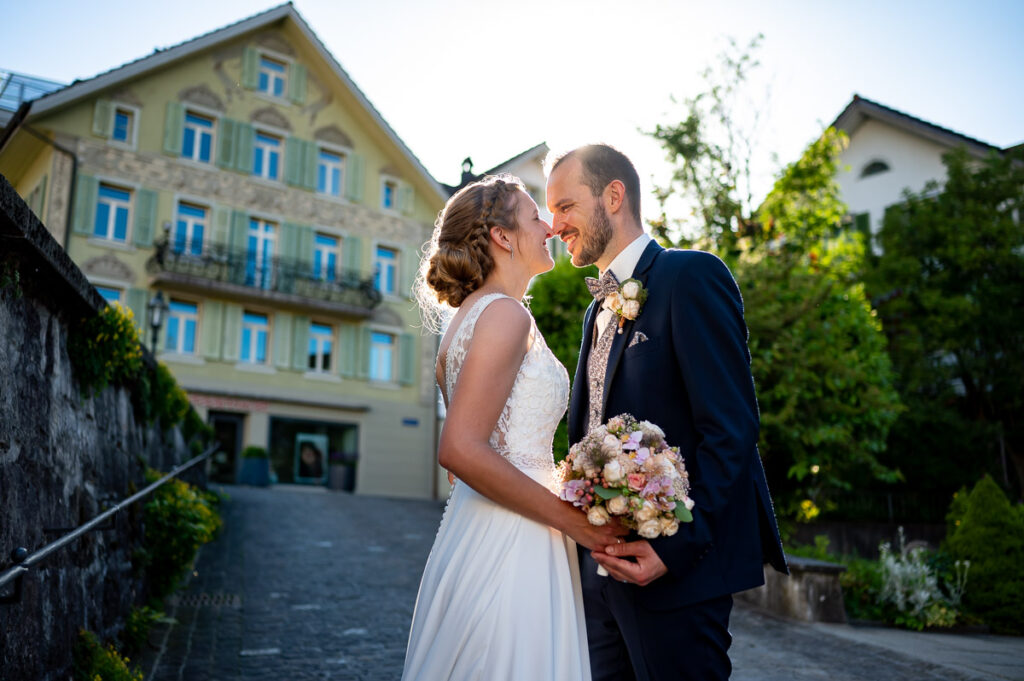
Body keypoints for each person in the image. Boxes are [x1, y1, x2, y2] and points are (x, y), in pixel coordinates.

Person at [546, 144, 789, 681]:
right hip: (599, 580)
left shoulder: (691, 277)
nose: (553, 224)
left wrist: (674, 550)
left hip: (677, 578)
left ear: (613, 196)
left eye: (565, 206)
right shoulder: (594, 313)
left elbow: (731, 430)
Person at [402, 175, 626, 680]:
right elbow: (459, 451)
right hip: (515, 541)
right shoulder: (505, 316)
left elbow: (466, 475)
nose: (547, 226)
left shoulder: (462, 323)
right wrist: (573, 523)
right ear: (503, 237)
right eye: (533, 217)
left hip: (477, 531)